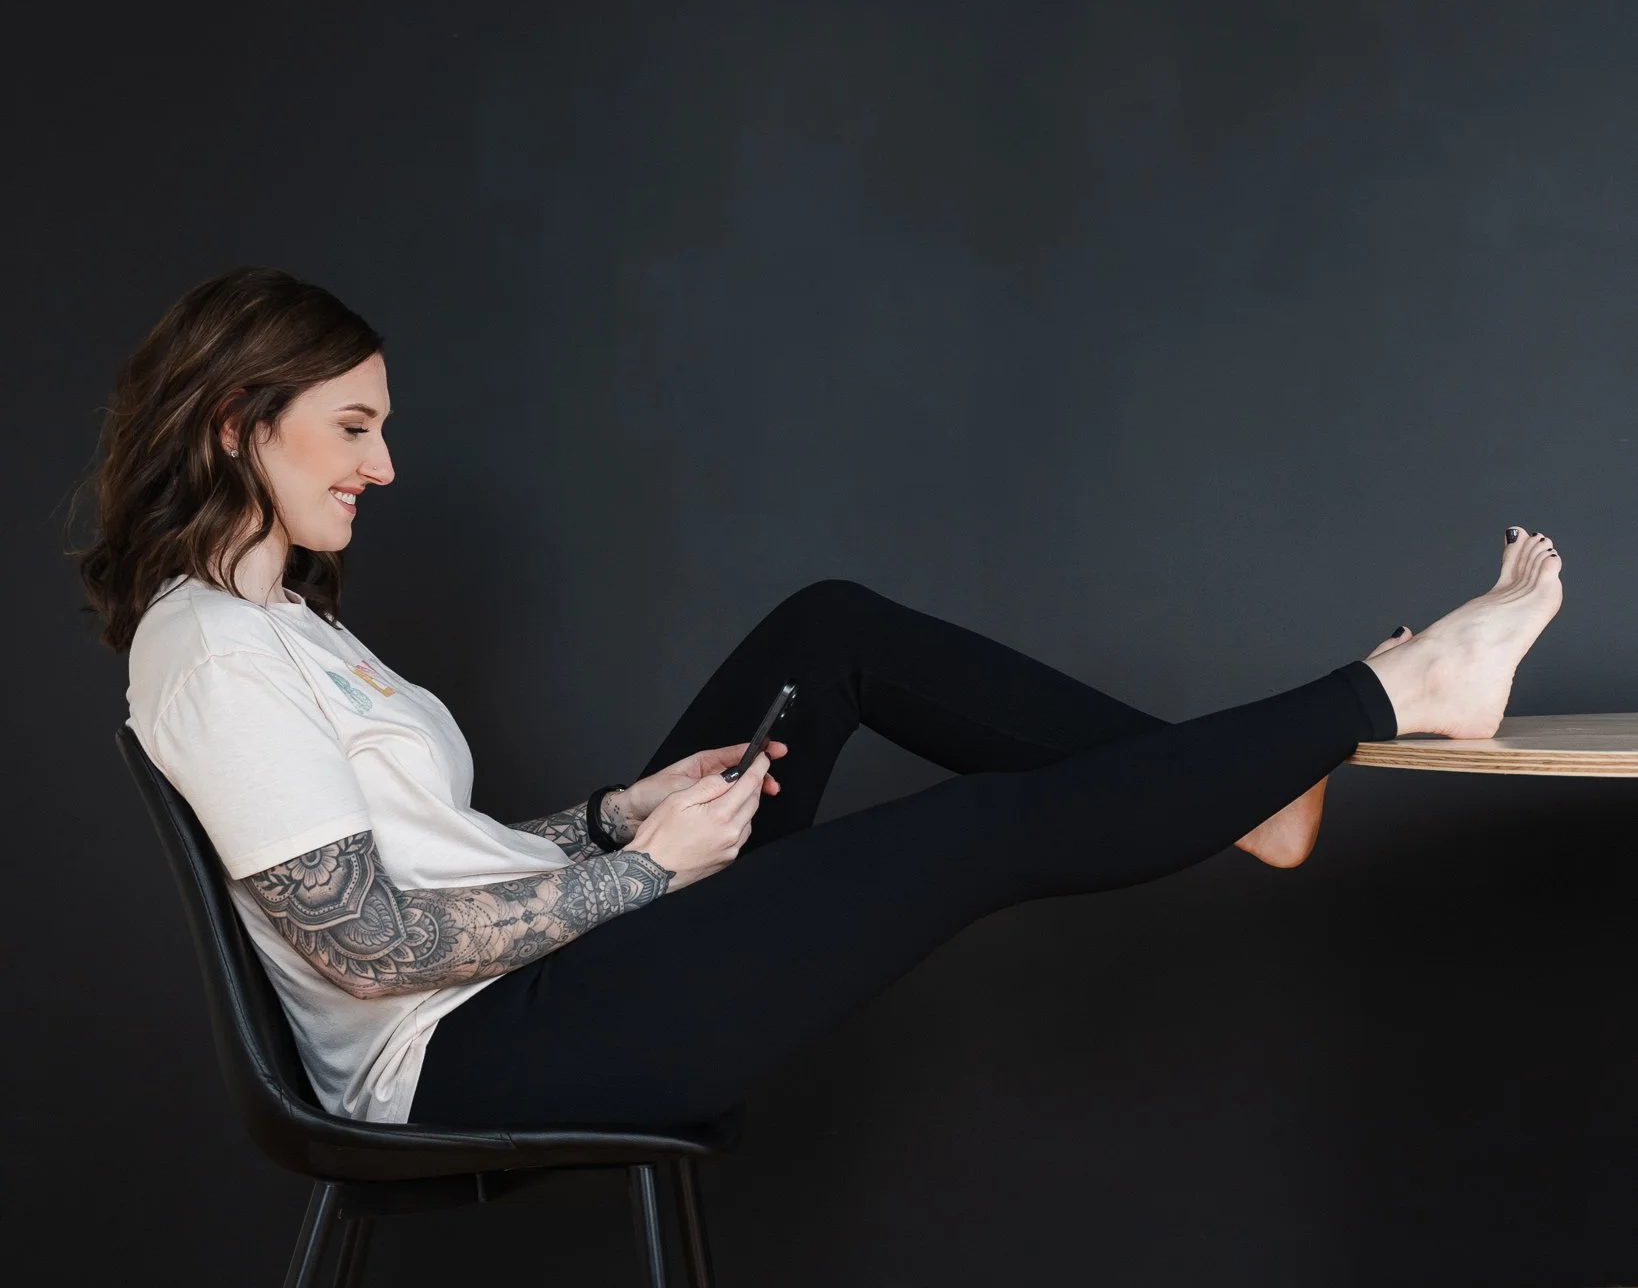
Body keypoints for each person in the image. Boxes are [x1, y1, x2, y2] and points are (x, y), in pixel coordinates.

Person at [80, 267, 1564, 1132]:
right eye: (352, 427)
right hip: (470, 1055)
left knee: (832, 631)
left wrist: (612, 818)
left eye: (382, 428)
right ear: (235, 423)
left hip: (541, 973)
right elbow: (372, 945)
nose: (383, 466)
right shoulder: (206, 651)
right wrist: (645, 877)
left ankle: (1254, 793)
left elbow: (421, 862)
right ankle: (1384, 692)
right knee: (959, 837)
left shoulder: (291, 628)